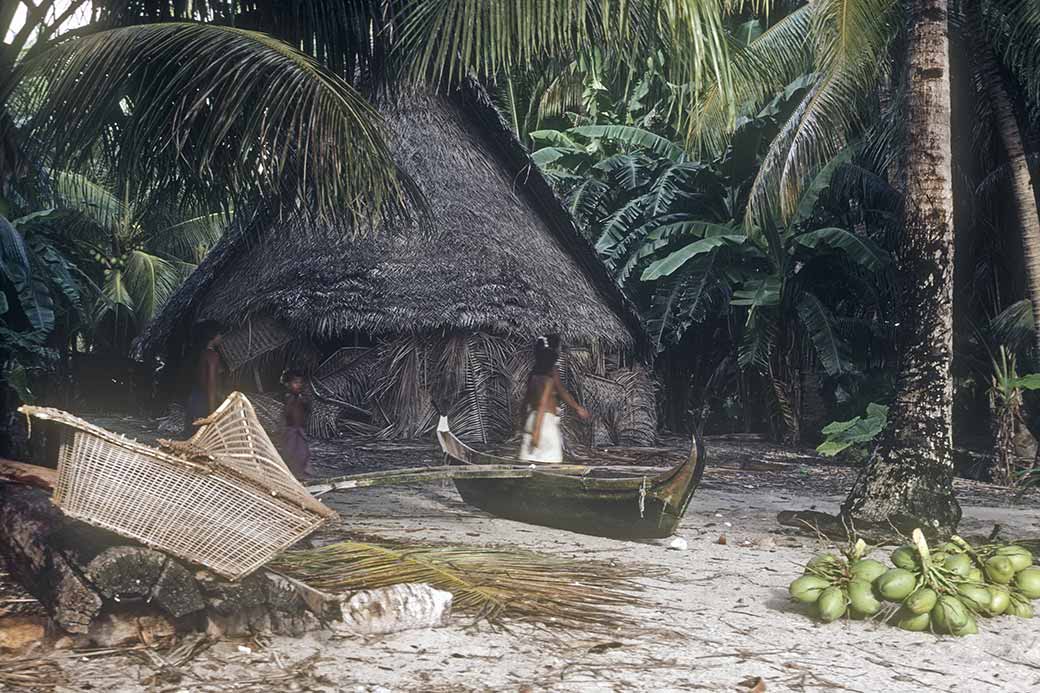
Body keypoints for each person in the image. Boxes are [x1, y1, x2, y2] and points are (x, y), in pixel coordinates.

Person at [519, 334, 591, 463]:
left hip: (532, 419)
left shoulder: (533, 374)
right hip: (544, 424)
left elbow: (526, 401)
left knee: (529, 464)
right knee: (550, 465)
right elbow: (546, 402)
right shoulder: (550, 375)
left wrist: (524, 423)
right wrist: (537, 431)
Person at [184, 322, 223, 437]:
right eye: (220, 334)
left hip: (194, 398)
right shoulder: (213, 356)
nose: (222, 337)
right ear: (213, 337)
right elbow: (211, 384)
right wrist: (212, 411)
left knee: (191, 436)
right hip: (203, 402)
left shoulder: (201, 353)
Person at [282, 369, 314, 478]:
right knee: (289, 454)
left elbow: (309, 410)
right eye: (295, 383)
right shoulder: (287, 397)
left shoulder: (302, 398)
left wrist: (302, 400)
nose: (298, 385)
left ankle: (301, 475)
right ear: (289, 384)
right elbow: (286, 414)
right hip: (290, 430)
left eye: (300, 383)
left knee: (303, 453)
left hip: (300, 430)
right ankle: (290, 475)